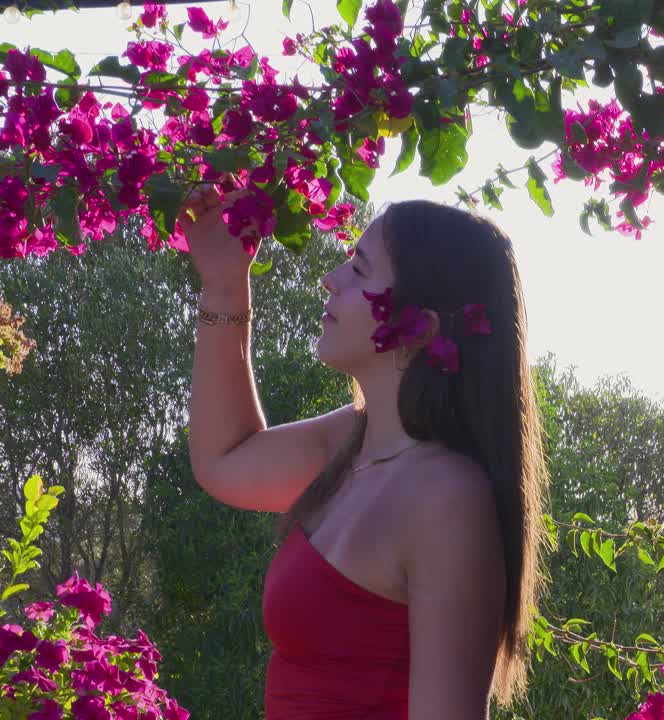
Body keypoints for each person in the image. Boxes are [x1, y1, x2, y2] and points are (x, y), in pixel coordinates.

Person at [181, 185, 548, 719]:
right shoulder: (350, 444)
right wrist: (223, 287)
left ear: (422, 327)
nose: (330, 279)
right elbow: (223, 460)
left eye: (359, 269)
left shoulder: (446, 499)